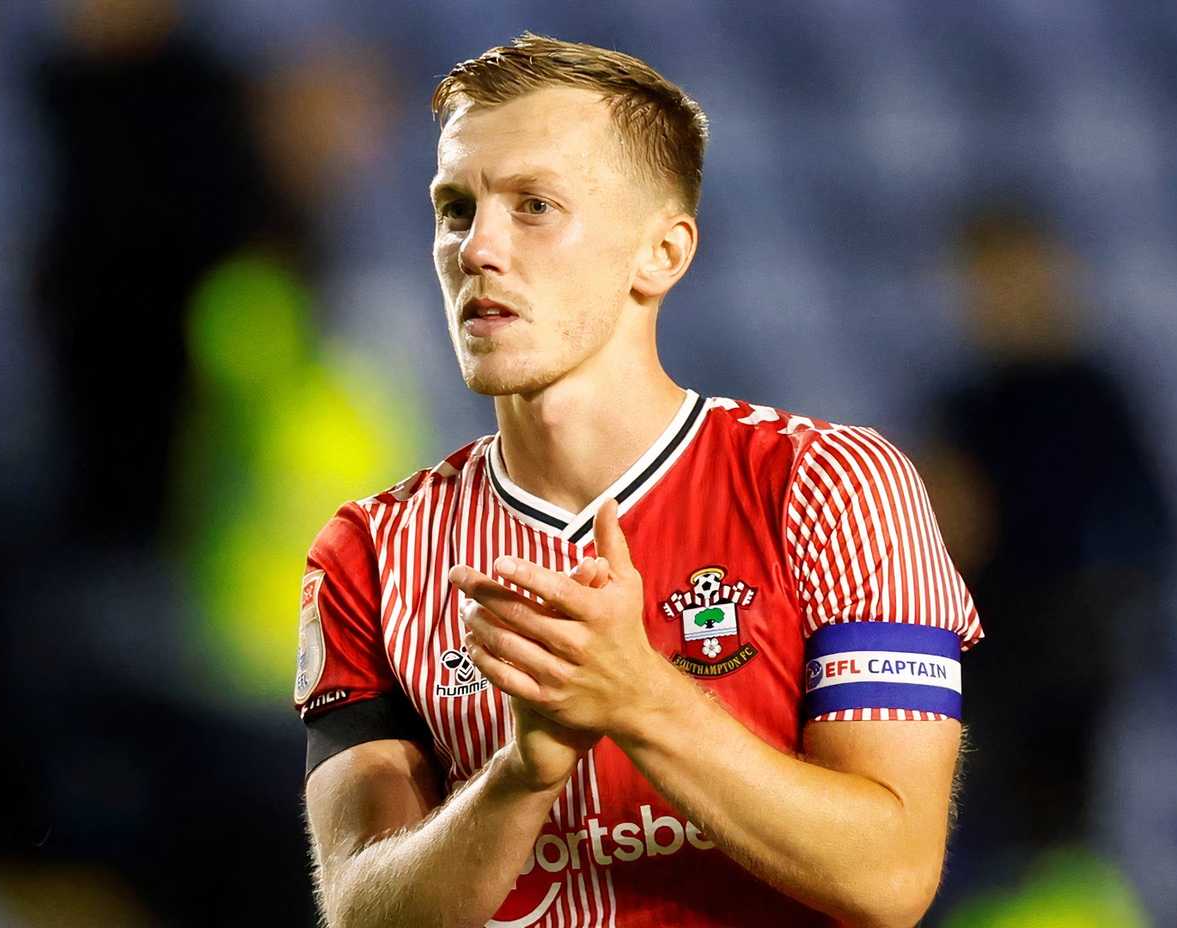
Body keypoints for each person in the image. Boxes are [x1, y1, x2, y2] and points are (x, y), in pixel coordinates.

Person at [298, 34, 983, 928]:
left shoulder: (832, 487)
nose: (477, 249)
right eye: (456, 208)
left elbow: (891, 876)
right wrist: (524, 774)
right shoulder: (372, 554)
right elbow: (363, 914)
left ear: (660, 253)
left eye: (534, 206)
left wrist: (639, 698)